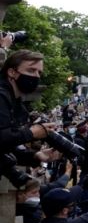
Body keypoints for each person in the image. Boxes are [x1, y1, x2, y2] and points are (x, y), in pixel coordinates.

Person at [0, 50, 59, 187]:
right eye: (31, 70)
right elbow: (2, 137)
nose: (36, 76)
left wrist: (35, 156)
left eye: (39, 72)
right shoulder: (2, 96)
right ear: (12, 72)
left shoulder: (17, 103)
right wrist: (32, 133)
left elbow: (5, 148)